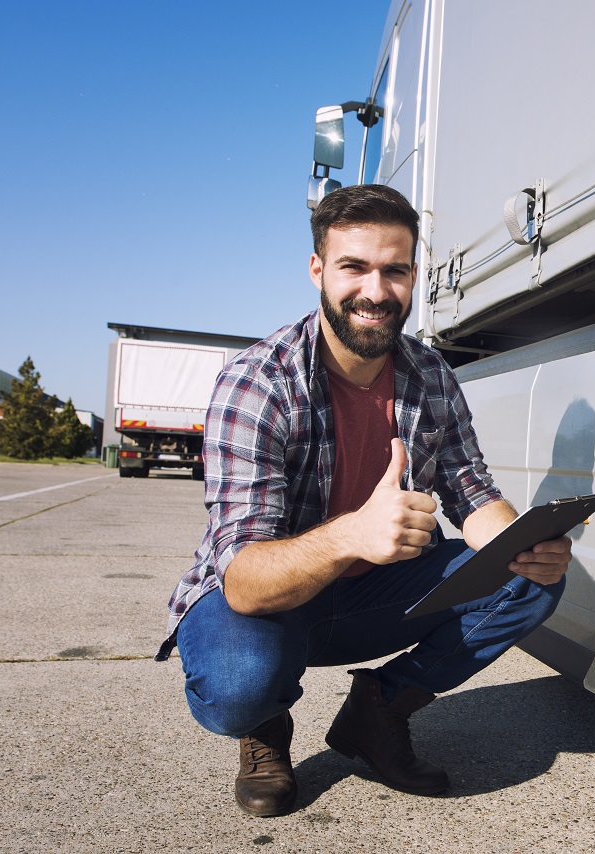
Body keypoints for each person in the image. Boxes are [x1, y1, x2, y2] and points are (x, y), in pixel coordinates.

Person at [155, 184, 571, 817]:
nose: (376, 292)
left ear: (412, 275)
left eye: (394, 270)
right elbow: (242, 581)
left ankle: (378, 710)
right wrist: (352, 534)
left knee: (533, 582)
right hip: (271, 603)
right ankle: (264, 725)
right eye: (354, 267)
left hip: (374, 594)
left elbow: (473, 491)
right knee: (238, 685)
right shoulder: (258, 382)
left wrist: (523, 545)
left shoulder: (430, 376)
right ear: (318, 269)